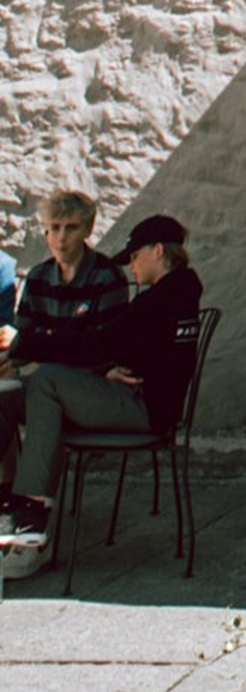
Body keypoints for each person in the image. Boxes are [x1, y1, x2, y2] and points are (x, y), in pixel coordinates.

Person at [0, 214, 202, 552]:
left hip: (145, 408)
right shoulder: (176, 294)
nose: (131, 267)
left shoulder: (160, 300)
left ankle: (31, 516)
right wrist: (108, 366)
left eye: (135, 257)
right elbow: (121, 348)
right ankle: (10, 502)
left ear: (157, 251)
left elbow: (97, 345)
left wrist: (24, 343)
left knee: (47, 381)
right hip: (132, 395)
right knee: (6, 400)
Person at [0, 191, 132, 495]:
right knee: (3, 398)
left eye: (71, 228)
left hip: (88, 390)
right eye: (54, 228)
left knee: (47, 389)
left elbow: (105, 350)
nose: (61, 237)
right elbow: (22, 345)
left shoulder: (107, 277)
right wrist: (9, 355)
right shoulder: (38, 277)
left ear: (87, 230)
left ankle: (30, 513)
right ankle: (9, 496)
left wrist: (35, 345)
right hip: (46, 388)